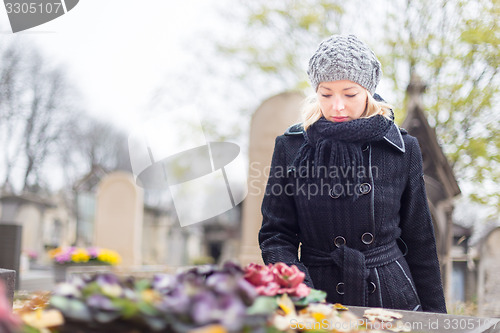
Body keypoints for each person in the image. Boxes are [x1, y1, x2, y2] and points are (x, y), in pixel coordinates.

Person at [259, 34, 447, 313]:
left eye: (350, 94)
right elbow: (276, 237)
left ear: (368, 91)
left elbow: (420, 242)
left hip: (390, 300)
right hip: (317, 298)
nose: (337, 106)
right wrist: (302, 296)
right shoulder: (292, 147)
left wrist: (436, 321)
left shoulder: (401, 148)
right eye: (326, 94)